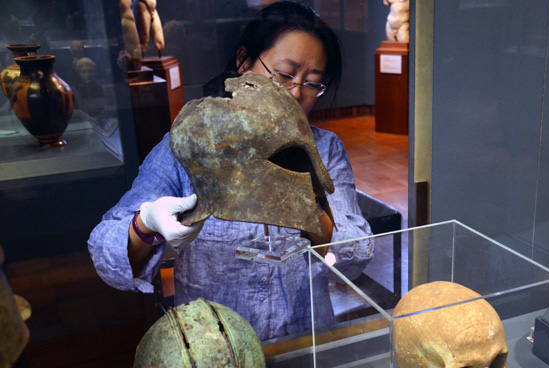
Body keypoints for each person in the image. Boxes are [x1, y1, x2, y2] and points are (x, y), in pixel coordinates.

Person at [88, 1, 373, 341]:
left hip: (302, 341)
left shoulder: (324, 149)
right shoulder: (191, 144)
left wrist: (303, 190)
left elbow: (357, 254)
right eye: (284, 74)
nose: (296, 93)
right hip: (213, 345)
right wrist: (146, 224)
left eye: (312, 83)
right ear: (243, 62)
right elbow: (107, 251)